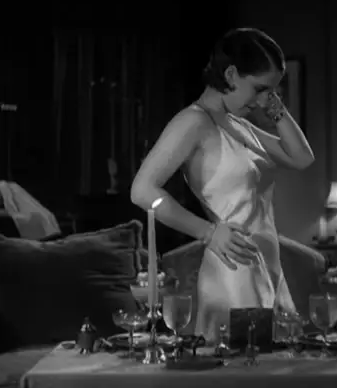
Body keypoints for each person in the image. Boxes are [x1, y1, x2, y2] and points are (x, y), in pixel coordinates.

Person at [130, 28, 315, 341]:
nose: (263, 101)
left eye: (271, 92)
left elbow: (302, 158)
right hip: (234, 268)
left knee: (278, 363)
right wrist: (208, 232)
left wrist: (275, 107)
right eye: (259, 89)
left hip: (268, 264)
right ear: (230, 74)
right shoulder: (192, 122)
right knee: (243, 362)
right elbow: (142, 190)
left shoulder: (239, 124)